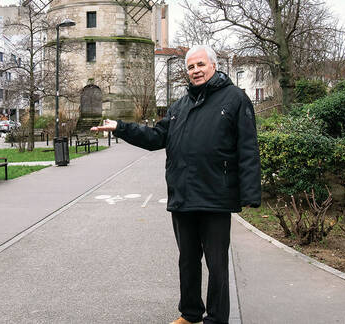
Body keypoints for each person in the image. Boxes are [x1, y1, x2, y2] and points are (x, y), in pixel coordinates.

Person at [92, 44, 261, 324]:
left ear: (213, 66)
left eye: (200, 65)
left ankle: (217, 319)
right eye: (191, 67)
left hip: (215, 196)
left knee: (217, 264)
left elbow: (248, 147)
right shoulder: (180, 106)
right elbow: (156, 137)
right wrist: (121, 128)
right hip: (183, 195)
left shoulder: (235, 99)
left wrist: (250, 192)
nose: (195, 71)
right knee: (188, 260)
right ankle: (190, 313)